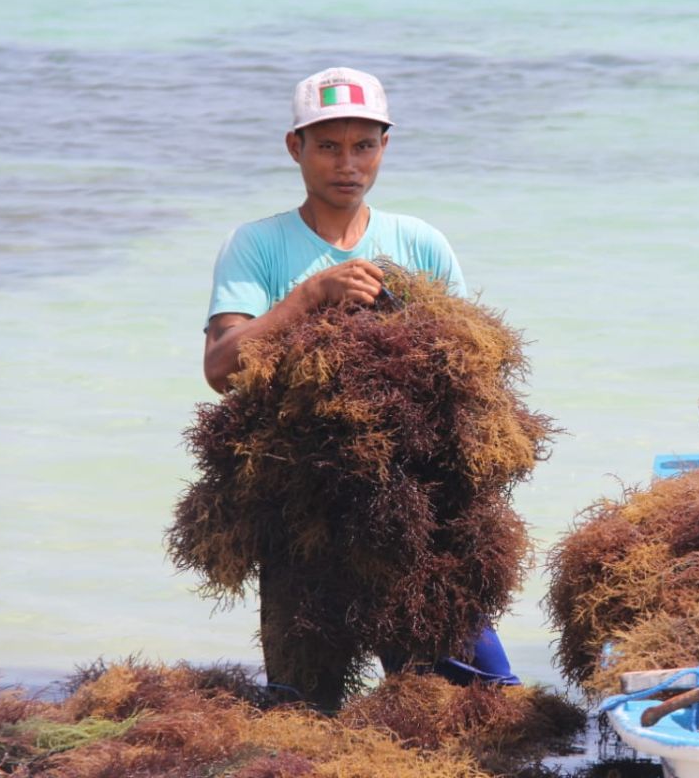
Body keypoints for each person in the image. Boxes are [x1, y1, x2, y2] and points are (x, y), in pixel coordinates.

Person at [203, 67, 519, 708]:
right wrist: (310, 296)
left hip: (416, 518)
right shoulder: (257, 245)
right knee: (302, 712)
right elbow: (221, 369)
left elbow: (473, 367)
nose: (347, 164)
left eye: (364, 145)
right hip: (300, 510)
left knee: (482, 703)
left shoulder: (419, 243)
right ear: (295, 148)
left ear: (384, 147)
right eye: (328, 146)